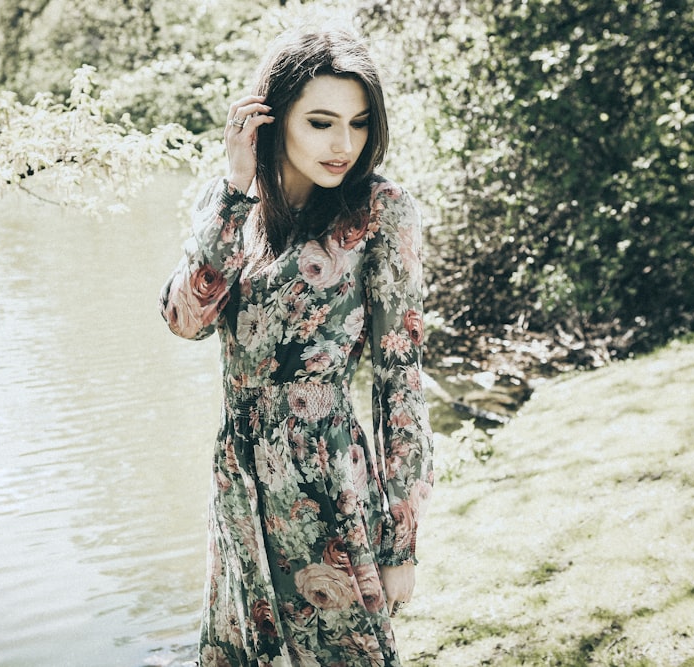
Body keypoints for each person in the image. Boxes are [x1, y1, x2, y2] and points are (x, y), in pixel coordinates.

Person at [159, 27, 433, 667]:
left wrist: (400, 546)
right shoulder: (230, 206)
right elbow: (184, 322)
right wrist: (232, 190)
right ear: (272, 117)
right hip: (239, 479)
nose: (344, 145)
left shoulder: (381, 211)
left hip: (327, 479)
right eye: (320, 122)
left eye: (359, 124)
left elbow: (400, 379)